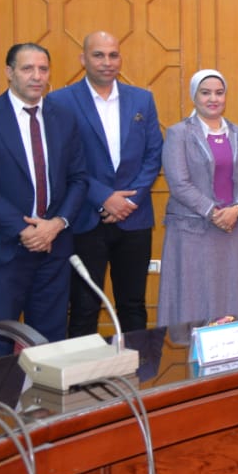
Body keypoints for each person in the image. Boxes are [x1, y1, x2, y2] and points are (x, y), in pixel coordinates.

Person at [0, 43, 87, 352]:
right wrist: (23, 229)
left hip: (54, 249)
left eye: (43, 69)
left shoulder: (65, 118)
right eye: (28, 69)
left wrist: (57, 224)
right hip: (1, 251)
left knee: (51, 347)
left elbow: (79, 178)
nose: (37, 76)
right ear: (9, 72)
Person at [51, 31, 164, 337]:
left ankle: (138, 366)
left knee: (133, 304)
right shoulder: (60, 101)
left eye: (113, 55)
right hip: (85, 217)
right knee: (84, 307)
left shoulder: (141, 99)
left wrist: (130, 201)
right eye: (98, 55)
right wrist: (104, 197)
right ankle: (86, 370)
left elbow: (154, 153)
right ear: (83, 59)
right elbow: (61, 161)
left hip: (134, 218)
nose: (107, 62)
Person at [158, 69, 238, 325]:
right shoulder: (179, 133)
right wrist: (214, 213)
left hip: (232, 230)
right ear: (194, 96)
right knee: (195, 302)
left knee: (230, 300)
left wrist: (237, 209)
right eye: (205, 93)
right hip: (193, 232)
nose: (213, 99)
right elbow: (179, 183)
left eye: (219, 93)